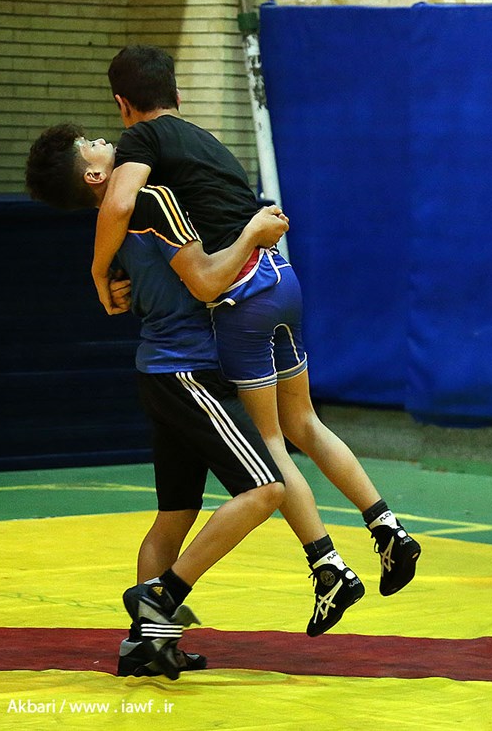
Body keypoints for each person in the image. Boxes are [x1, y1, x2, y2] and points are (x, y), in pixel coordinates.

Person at [92, 45, 421, 606]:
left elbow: (122, 207)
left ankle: (327, 564)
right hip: (281, 278)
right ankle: (386, 526)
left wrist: (99, 272)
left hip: (242, 294)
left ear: (123, 106)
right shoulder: (205, 141)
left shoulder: (142, 147)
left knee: (270, 444)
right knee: (305, 421)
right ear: (178, 94)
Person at [26, 123, 295, 679]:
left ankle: (142, 646)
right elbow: (206, 282)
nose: (107, 141)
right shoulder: (153, 200)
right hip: (188, 372)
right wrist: (252, 231)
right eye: (93, 144)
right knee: (267, 489)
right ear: (94, 173)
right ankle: (162, 596)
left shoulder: (112, 226)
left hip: (159, 371)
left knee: (174, 516)